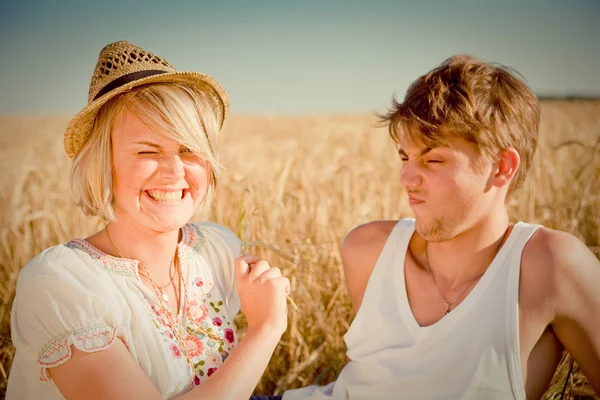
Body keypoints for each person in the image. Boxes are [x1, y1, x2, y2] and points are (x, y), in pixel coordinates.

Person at [283, 55, 600, 400]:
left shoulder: (552, 266)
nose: (406, 179)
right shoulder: (368, 250)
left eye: (433, 159)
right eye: (404, 156)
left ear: (502, 167)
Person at [7, 41, 289, 400]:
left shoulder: (217, 248)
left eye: (189, 150)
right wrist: (265, 329)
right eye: (147, 152)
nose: (175, 172)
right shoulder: (61, 283)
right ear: (103, 164)